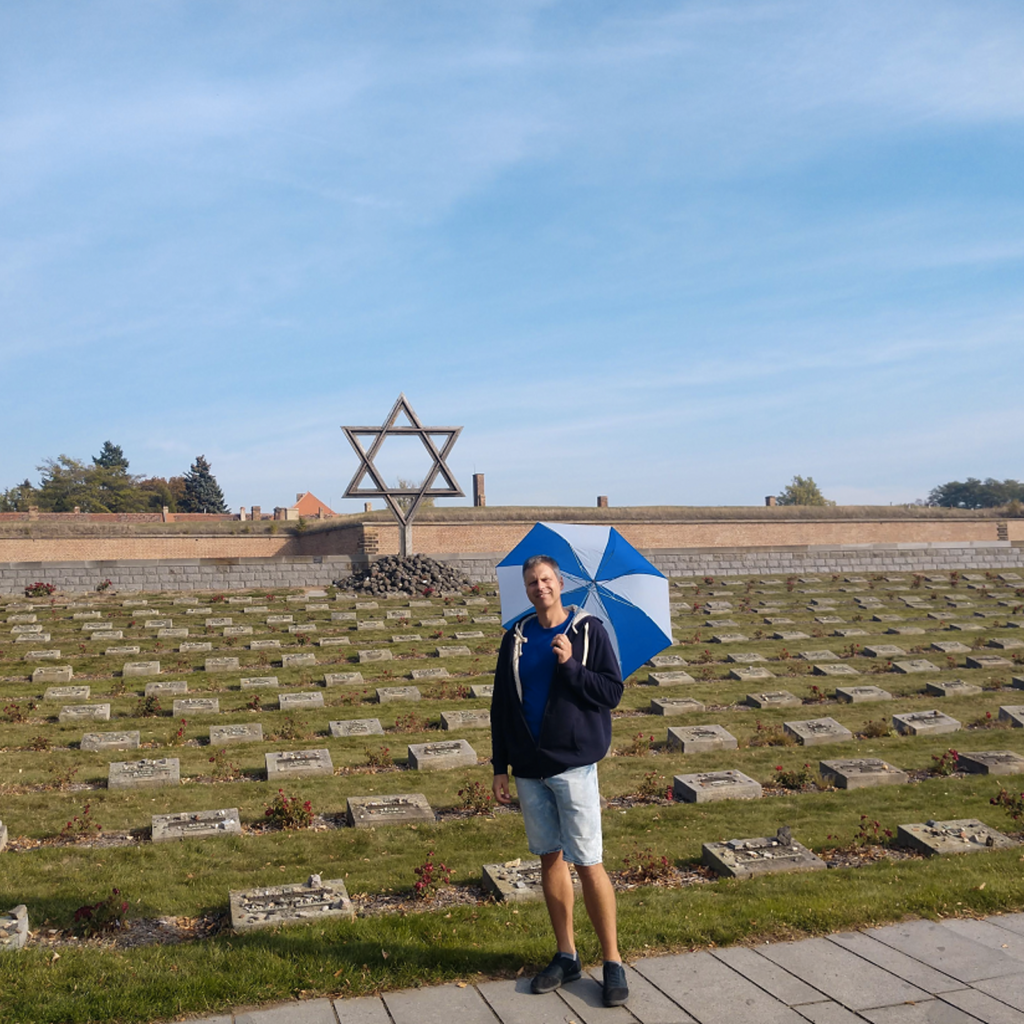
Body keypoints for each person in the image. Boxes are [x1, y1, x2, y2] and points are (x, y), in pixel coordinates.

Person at [490, 553, 629, 1007]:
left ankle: (612, 962)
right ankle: (566, 954)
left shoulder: (588, 631)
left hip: (572, 765)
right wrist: (499, 766)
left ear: (560, 583)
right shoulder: (516, 636)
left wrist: (571, 666)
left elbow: (611, 692)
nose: (539, 587)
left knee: (588, 862)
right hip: (530, 769)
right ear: (526, 589)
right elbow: (501, 705)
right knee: (549, 859)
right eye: (532, 582)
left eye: (546, 579)